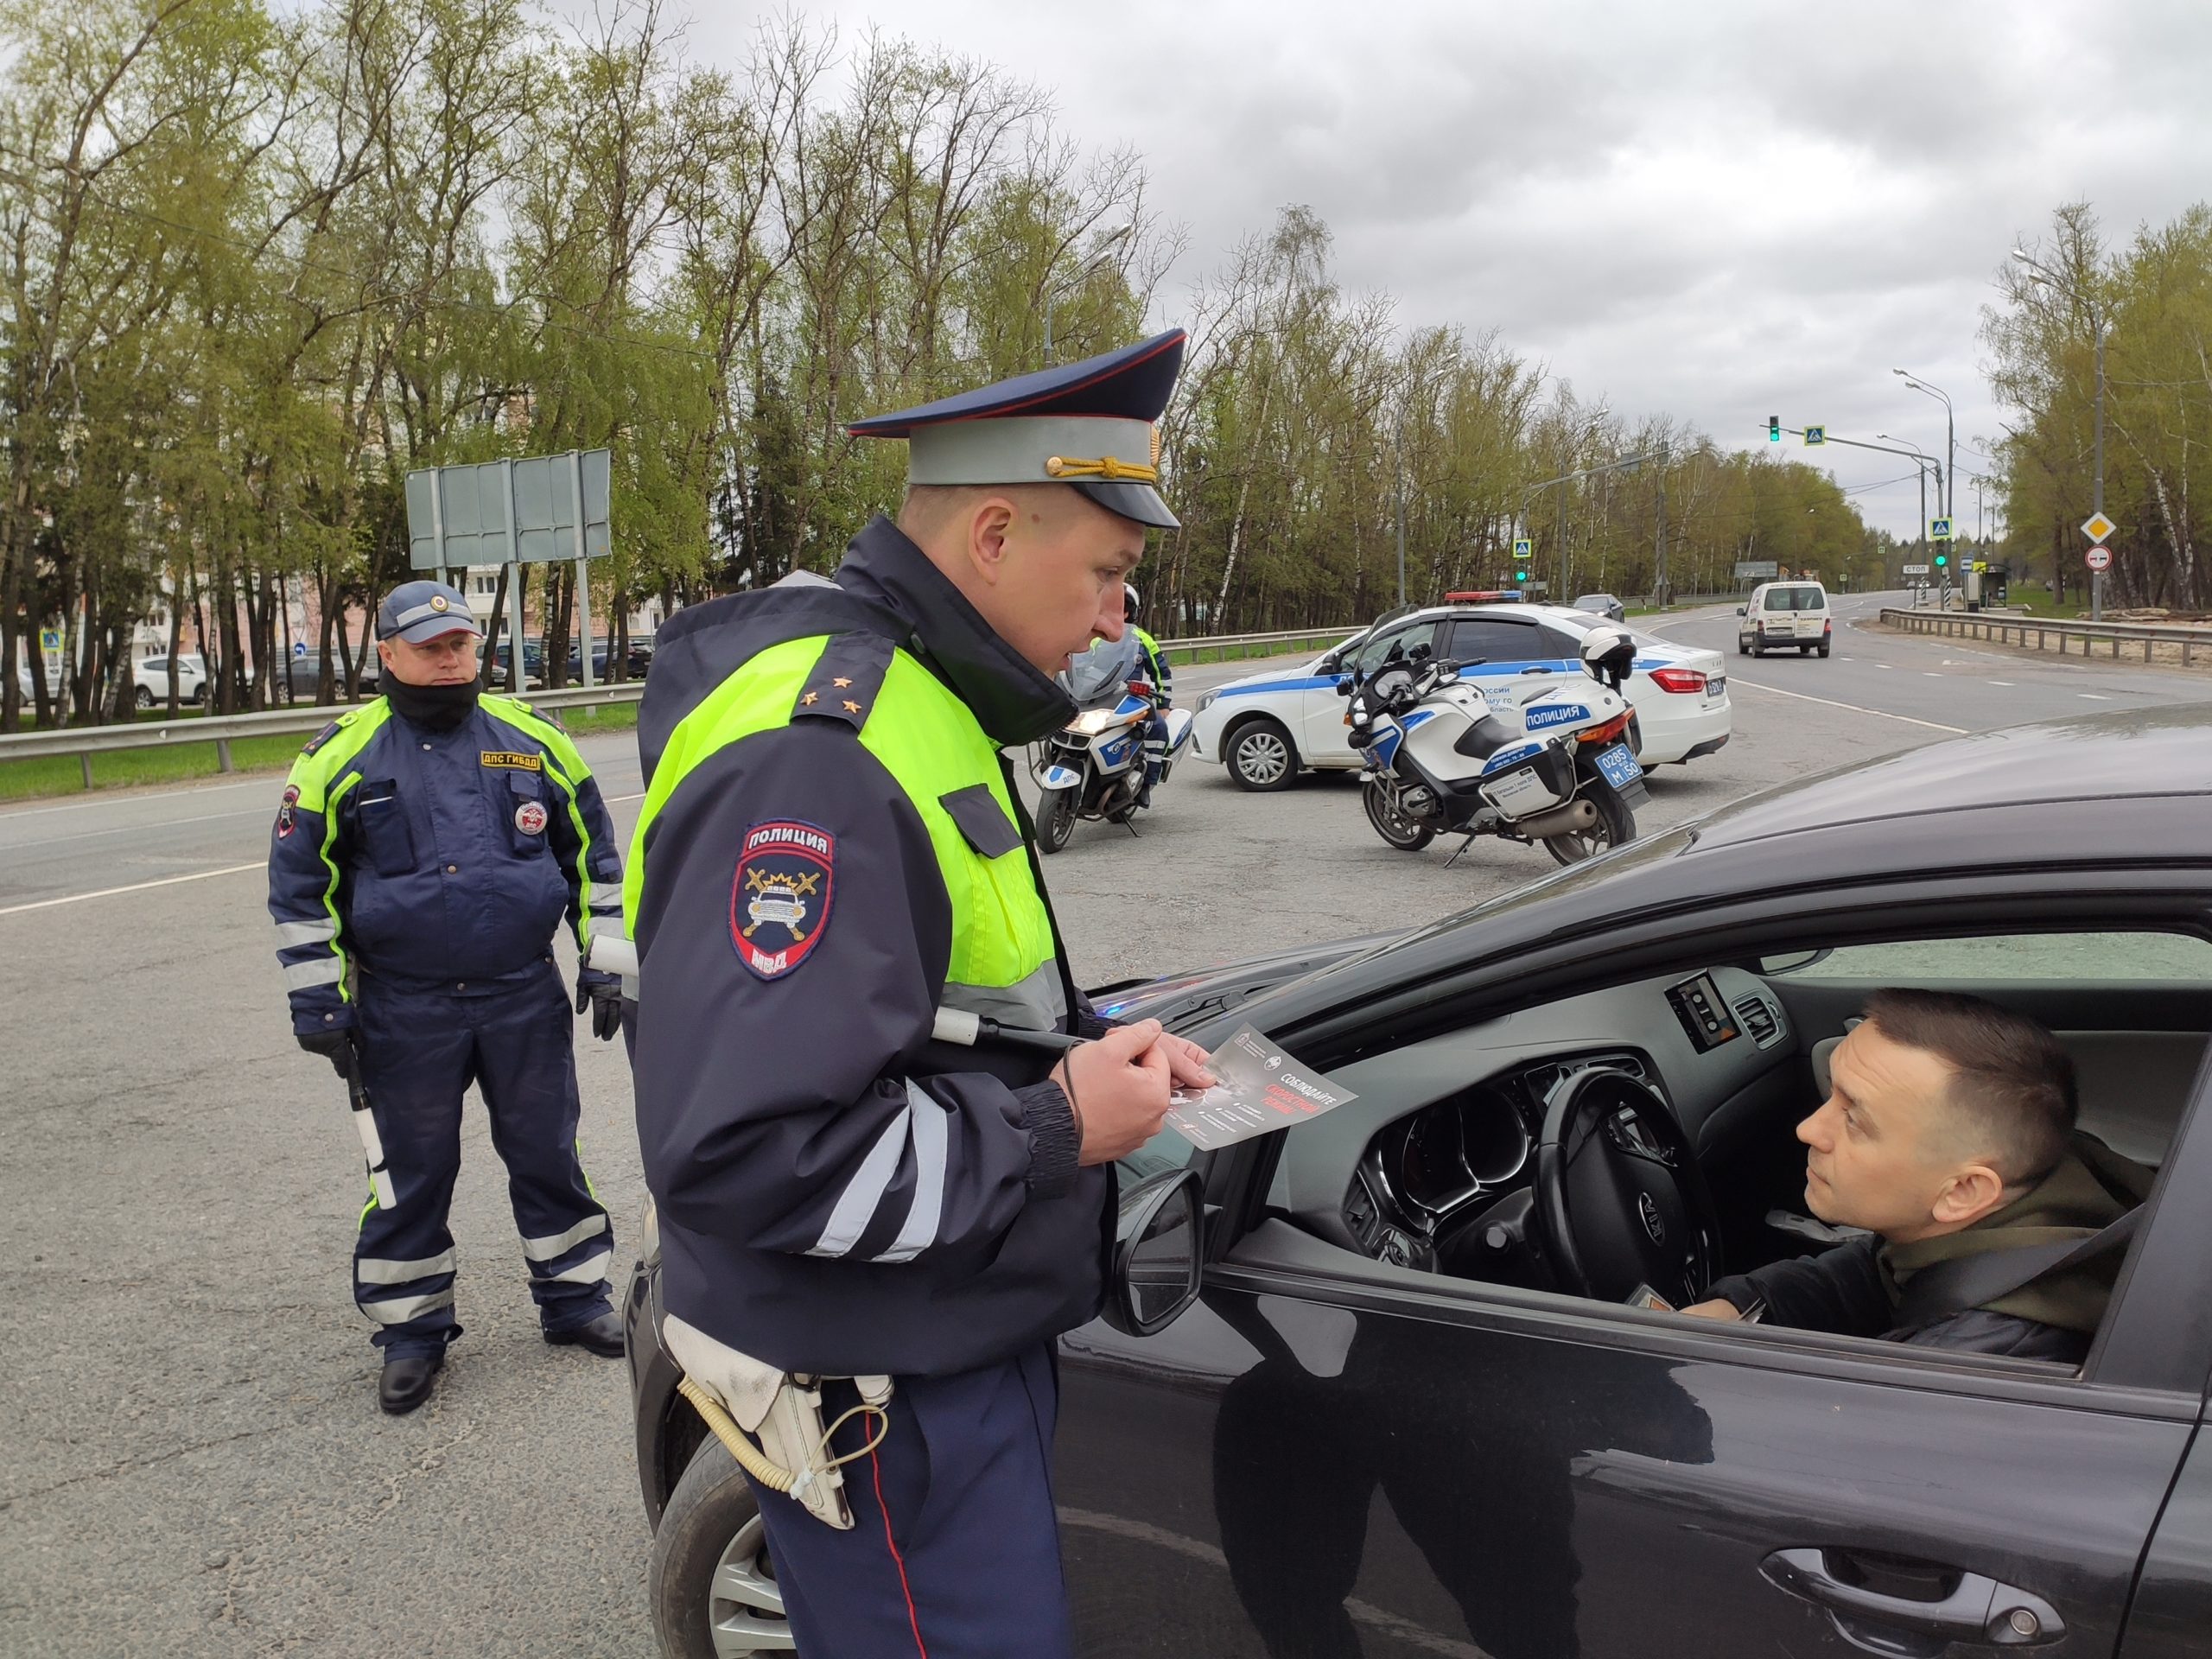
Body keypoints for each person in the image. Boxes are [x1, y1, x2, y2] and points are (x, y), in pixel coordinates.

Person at [626, 328, 1215, 1657]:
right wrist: (1058, 1124)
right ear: (996, 535)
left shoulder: (918, 697)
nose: (1124, 614)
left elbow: (923, 1014)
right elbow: (751, 1151)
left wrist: (1079, 1056)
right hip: (886, 1391)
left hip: (932, 1337)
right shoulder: (823, 756)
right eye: (1112, 572)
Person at [267, 581, 629, 1414]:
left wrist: (607, 962)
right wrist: (318, 999)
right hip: (403, 1008)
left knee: (547, 1150)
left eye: (460, 644)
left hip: (520, 995)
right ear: (387, 654)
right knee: (410, 1172)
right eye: (430, 648)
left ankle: (575, 1297)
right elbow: (299, 890)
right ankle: (411, 1330)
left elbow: (596, 865)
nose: (449, 659)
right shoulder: (339, 757)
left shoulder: (534, 741)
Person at [1681, 988, 2143, 1363]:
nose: (1807, 1129)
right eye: (1833, 1096)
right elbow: (1877, 1271)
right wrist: (1743, 1305)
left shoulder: (1979, 1362)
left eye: (1855, 1120)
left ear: (1964, 1190)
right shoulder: (2040, 1204)